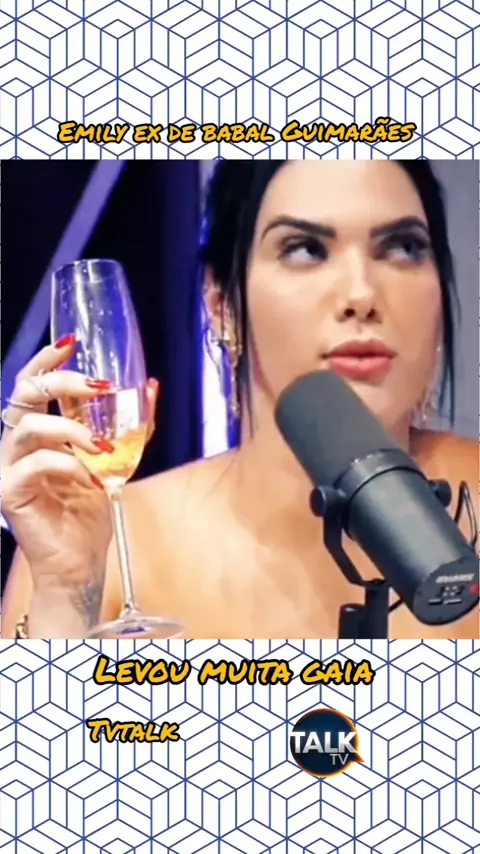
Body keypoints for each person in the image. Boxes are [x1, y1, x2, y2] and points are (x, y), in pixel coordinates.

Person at [1, 160, 478, 640]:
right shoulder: (105, 546)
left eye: (402, 247)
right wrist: (66, 600)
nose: (361, 294)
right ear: (221, 302)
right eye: (306, 249)